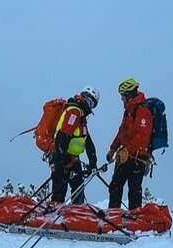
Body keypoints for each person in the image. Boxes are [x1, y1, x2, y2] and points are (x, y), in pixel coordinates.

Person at [107, 78, 152, 210]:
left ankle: (135, 219)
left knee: (134, 189)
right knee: (116, 185)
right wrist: (113, 148)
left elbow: (142, 137)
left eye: (123, 97)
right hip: (126, 156)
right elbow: (122, 132)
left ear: (128, 95)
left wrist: (127, 150)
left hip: (137, 158)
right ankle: (113, 214)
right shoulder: (129, 112)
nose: (122, 100)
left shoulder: (143, 111)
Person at [50, 87, 100, 204]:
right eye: (90, 102)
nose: (90, 105)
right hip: (63, 157)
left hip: (73, 159)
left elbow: (87, 141)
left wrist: (93, 163)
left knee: (78, 188)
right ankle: (53, 215)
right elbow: (63, 136)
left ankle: (76, 214)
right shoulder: (74, 112)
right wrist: (61, 161)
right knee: (60, 191)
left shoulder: (81, 117)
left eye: (92, 104)